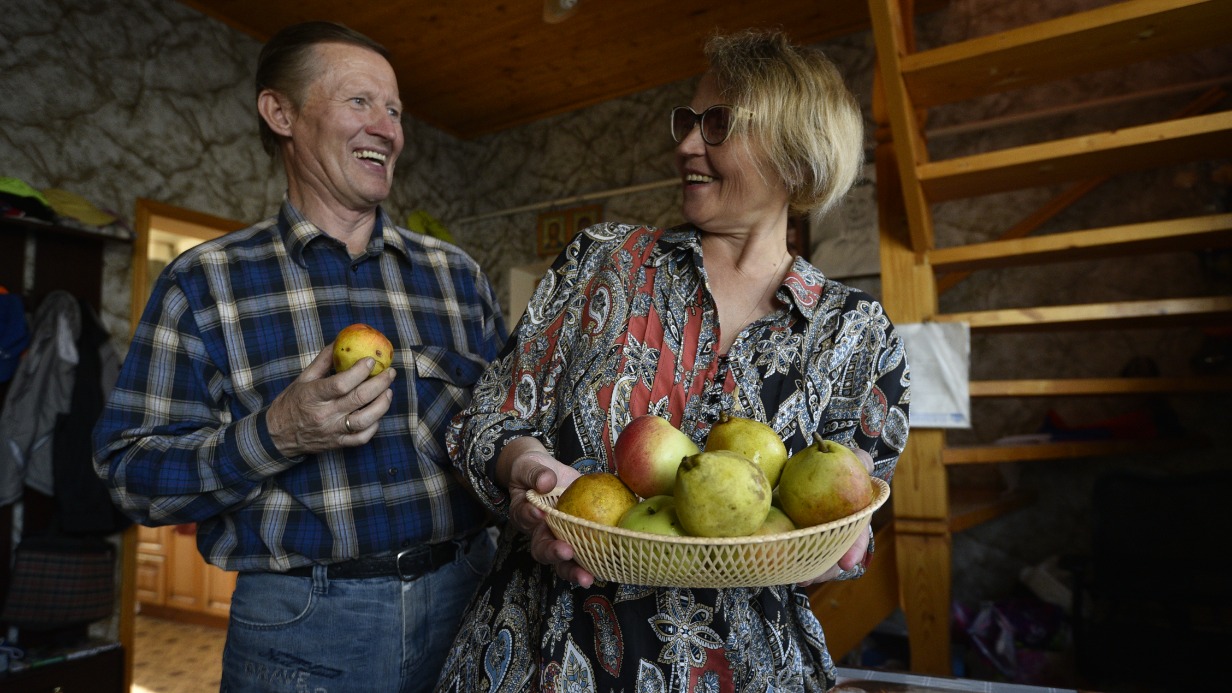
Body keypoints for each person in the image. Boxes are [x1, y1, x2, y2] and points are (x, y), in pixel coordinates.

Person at [436, 29, 909, 692]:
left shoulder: (859, 335)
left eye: (718, 124)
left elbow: (850, 527)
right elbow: (482, 421)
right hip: (547, 652)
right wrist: (528, 474)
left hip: (746, 673)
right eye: (687, 121)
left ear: (797, 159)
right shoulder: (601, 264)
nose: (686, 143)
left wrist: (836, 545)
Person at [93, 21, 507, 693]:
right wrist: (275, 433)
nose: (389, 128)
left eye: (396, 110)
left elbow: (504, 429)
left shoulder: (457, 276)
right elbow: (127, 471)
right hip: (305, 626)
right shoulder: (205, 282)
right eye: (360, 102)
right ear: (281, 112)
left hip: (468, 598)